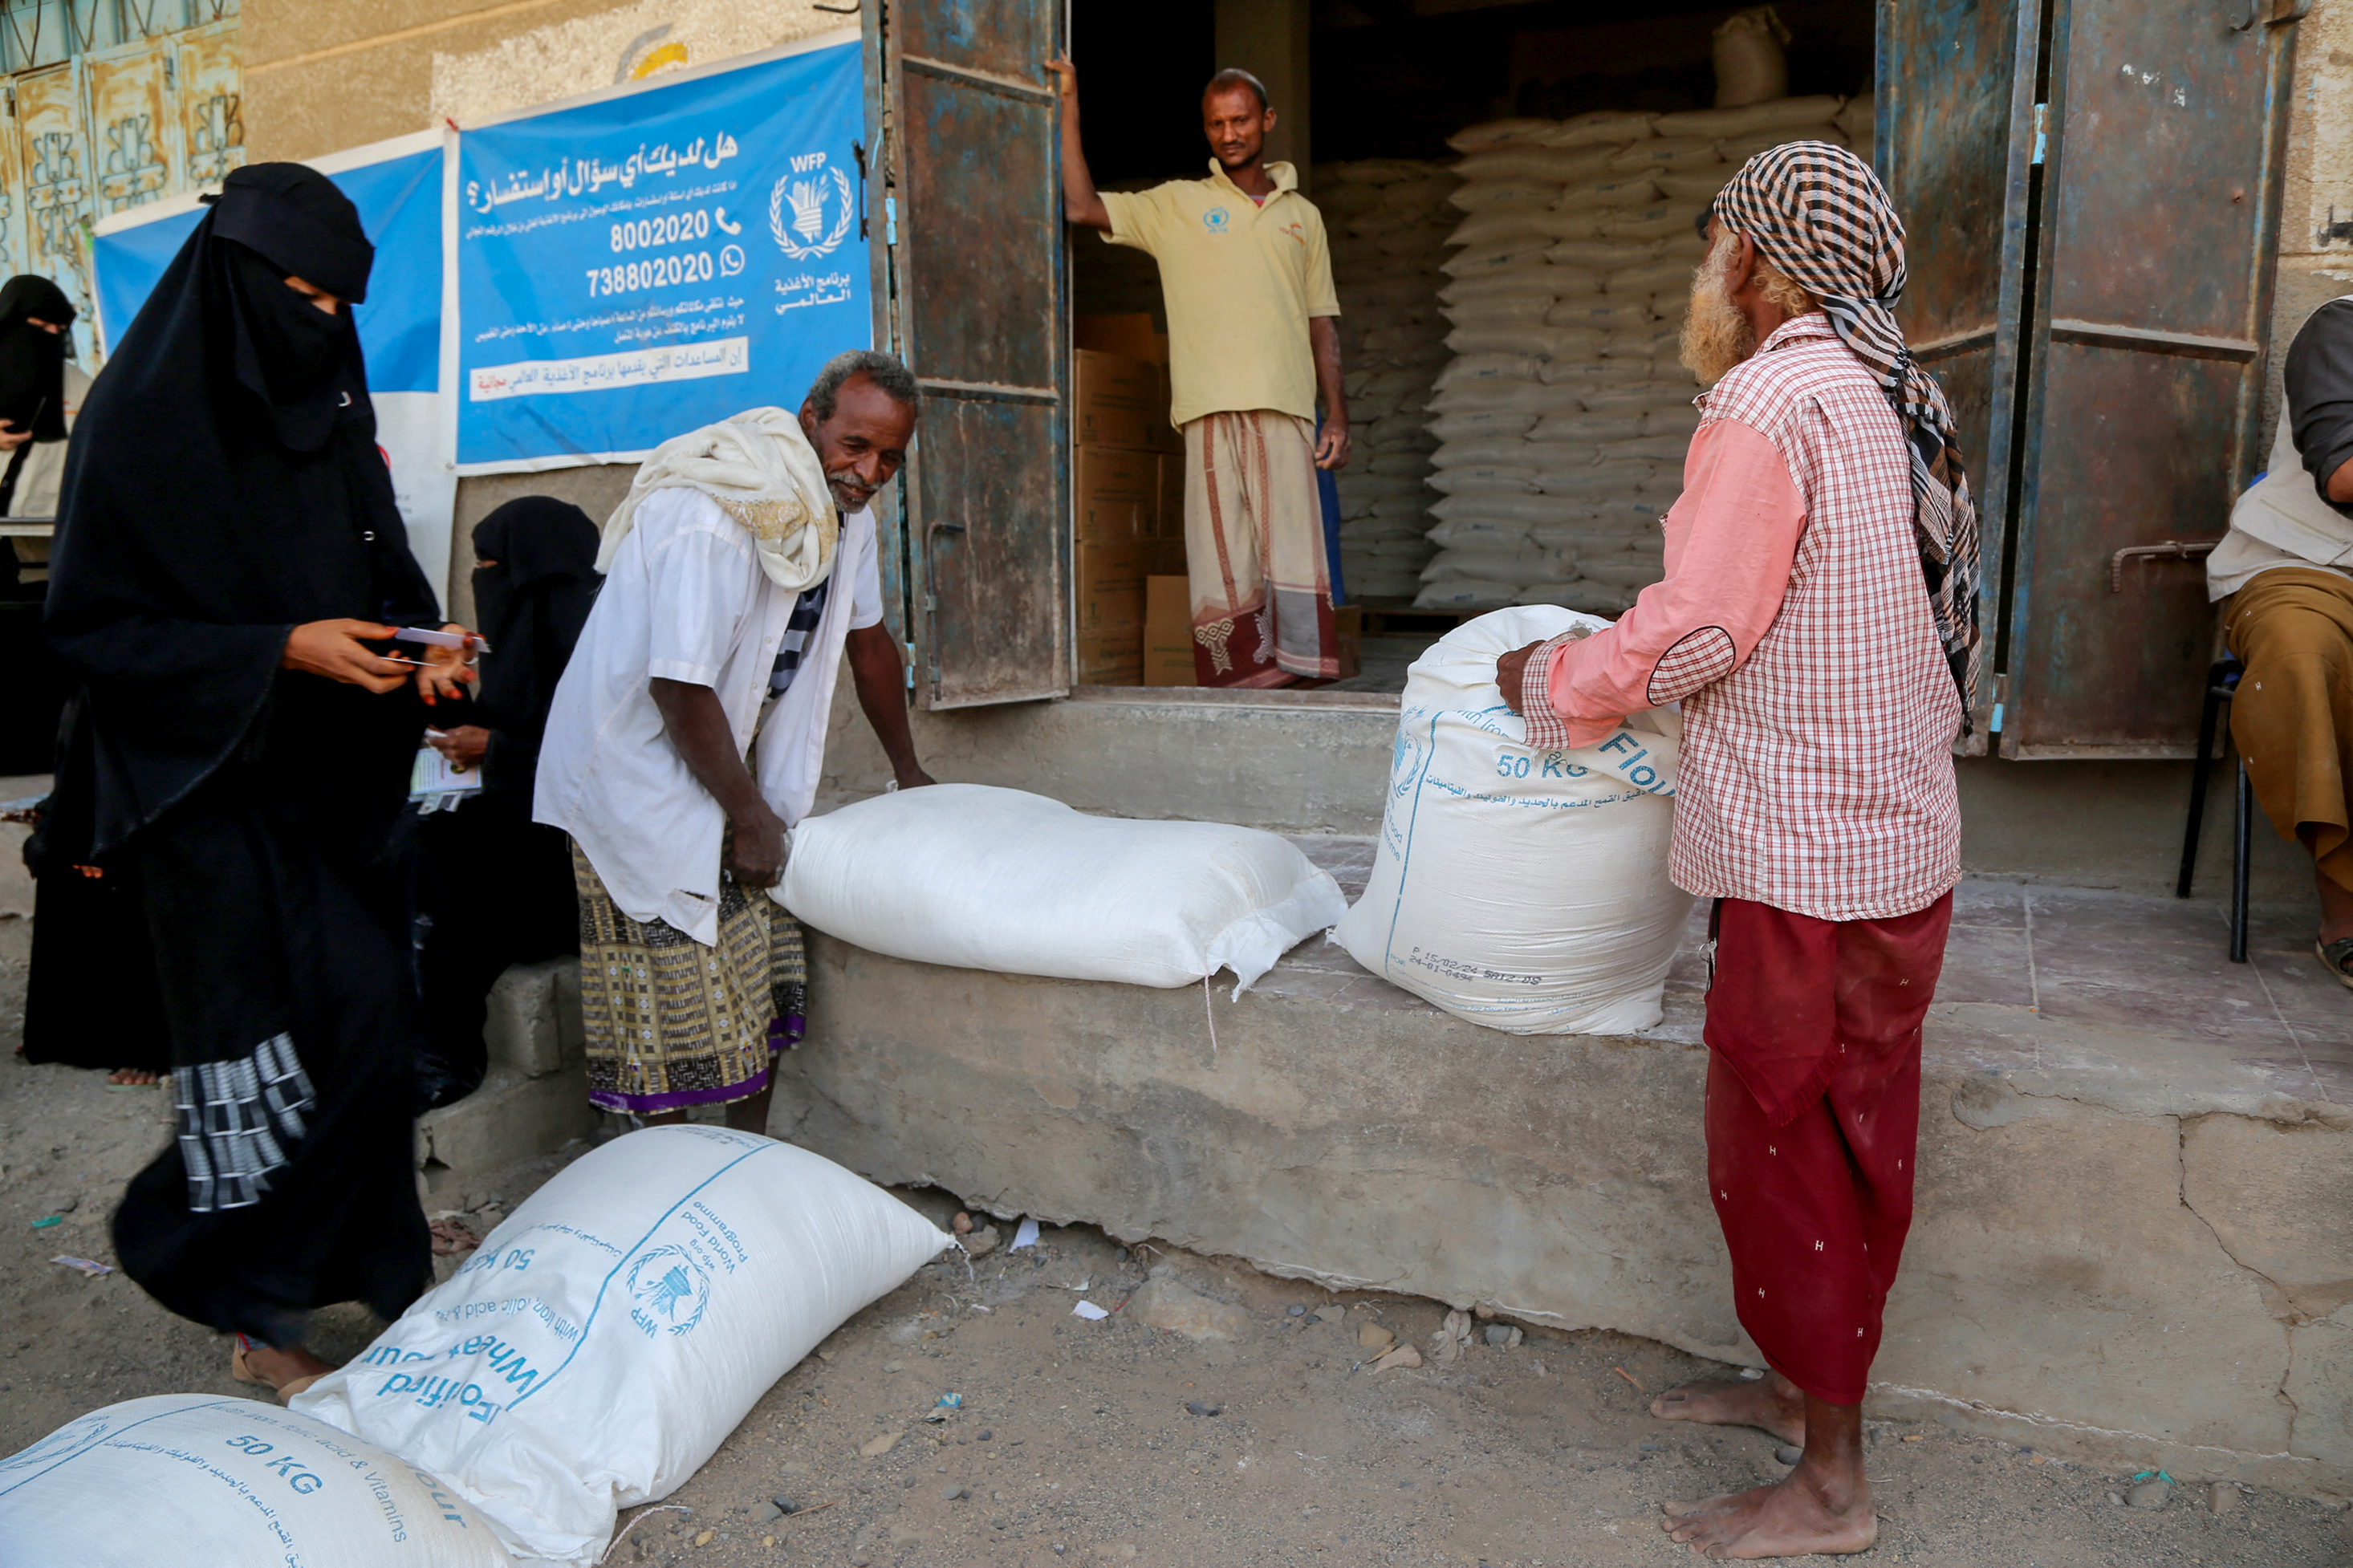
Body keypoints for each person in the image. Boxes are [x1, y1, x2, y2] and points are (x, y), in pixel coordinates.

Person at [1497, 143, 1978, 1558]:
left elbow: (1700, 630)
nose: (1708, 267)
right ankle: (1793, 1390)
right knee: (1854, 1123)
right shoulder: (1896, 388)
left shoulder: (1771, 394)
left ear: (1759, 262)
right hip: (1898, 835)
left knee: (1780, 1141)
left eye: (1719, 243)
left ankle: (1830, 1485)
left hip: (1803, 853)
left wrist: (1551, 676)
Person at [43, 162, 478, 1401]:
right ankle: (237, 1300)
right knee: (263, 1062)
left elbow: (376, 560)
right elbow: (89, 636)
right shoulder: (139, 421)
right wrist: (279, 646)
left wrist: (421, 643)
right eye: (297, 294)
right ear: (234, 283)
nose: (321, 322)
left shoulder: (330, 398)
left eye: (339, 303)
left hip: (336, 783)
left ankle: (382, 1268)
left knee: (373, 1028)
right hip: (205, 794)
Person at [536, 349, 935, 1131]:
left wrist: (911, 772)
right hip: (635, 774)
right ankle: (673, 1182)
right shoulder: (715, 513)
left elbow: (870, 642)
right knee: (671, 1008)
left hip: (719, 763)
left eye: (890, 457)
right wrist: (750, 816)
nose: (871, 471)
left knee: (767, 971)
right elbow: (677, 685)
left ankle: (748, 1169)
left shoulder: (843, 517)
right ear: (809, 420)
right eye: (855, 445)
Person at [1047, 56, 1350, 689]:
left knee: (1294, 548)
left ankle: (1303, 675)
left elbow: (1323, 322)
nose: (1230, 134)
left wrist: (1337, 415)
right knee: (1221, 555)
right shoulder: (1177, 206)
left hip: (1286, 405)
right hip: (1207, 409)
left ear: (1266, 120)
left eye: (1240, 120)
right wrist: (1069, 101)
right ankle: (1238, 680)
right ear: (1206, 130)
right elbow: (1079, 205)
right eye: (1216, 124)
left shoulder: (1304, 218)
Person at [412, 497, 601, 1108]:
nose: (484, 578)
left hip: (583, 876)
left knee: (466, 863)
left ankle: (447, 1054)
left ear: (529, 569)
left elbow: (604, 754)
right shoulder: (530, 632)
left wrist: (496, 748)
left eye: (493, 565)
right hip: (534, 841)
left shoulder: (596, 639)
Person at [2206, 296, 2353, 987]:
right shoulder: (2341, 328)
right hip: (2303, 566)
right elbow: (2342, 473)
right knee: (2300, 654)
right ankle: (2344, 912)